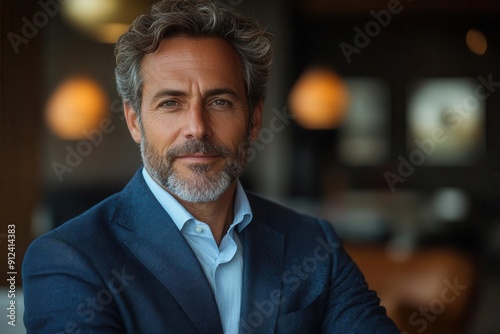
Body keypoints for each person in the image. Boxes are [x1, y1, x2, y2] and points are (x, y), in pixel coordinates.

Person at [22, 0, 400, 333]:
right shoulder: (67, 258)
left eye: (220, 102)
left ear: (253, 120)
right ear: (135, 121)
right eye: (171, 103)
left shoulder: (316, 246)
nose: (197, 128)